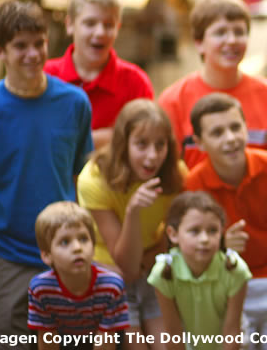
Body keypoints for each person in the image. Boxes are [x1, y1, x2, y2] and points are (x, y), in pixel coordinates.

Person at [0, 0, 93, 346]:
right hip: (5, 254)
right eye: (19, 46)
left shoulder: (74, 103)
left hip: (67, 253)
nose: (32, 54)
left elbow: (82, 179)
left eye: (38, 43)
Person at [184, 93, 267, 350]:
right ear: (200, 143)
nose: (230, 138)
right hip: (225, 285)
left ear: (247, 128)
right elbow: (186, 251)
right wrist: (220, 245)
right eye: (217, 133)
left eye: (236, 127)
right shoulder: (194, 185)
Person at [77, 99, 185, 350]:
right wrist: (134, 211)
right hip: (109, 272)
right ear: (123, 144)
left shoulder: (175, 175)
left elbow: (171, 234)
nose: (152, 156)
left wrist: (150, 260)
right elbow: (125, 266)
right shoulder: (94, 179)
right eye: (142, 144)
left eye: (161, 145)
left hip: (150, 267)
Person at [159, 0, 267, 170]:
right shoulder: (173, 101)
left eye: (239, 32)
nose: (231, 41)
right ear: (199, 43)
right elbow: (167, 173)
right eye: (220, 32)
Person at [45, 0, 154, 149]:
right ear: (70, 25)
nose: (100, 32)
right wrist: (111, 137)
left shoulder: (136, 82)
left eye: (108, 25)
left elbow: (145, 143)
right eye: (90, 23)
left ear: (118, 28)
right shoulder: (45, 76)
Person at [148, 191, 252, 350]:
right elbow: (173, 333)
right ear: (173, 234)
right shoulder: (163, 273)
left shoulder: (235, 269)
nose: (204, 239)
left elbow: (232, 332)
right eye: (194, 231)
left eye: (212, 231)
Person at [28, 201, 129, 350]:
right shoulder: (40, 289)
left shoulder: (111, 286)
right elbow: (48, 344)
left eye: (83, 239)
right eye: (64, 242)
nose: (77, 248)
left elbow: (106, 345)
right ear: (47, 255)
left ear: (93, 247)